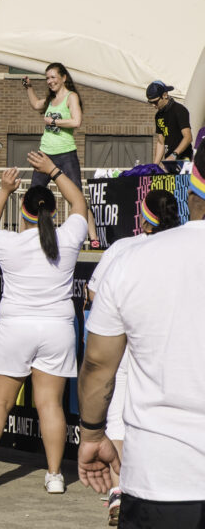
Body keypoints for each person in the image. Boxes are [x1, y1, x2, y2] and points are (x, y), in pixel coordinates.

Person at [77, 144, 205, 528]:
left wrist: (92, 434)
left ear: (192, 193)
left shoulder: (132, 259)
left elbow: (98, 364)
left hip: (161, 478)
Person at [0, 151, 87, 494]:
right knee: (50, 406)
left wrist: (5, 191)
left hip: (15, 329)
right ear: (53, 212)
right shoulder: (68, 238)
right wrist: (53, 170)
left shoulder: (10, 243)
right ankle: (55, 475)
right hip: (57, 330)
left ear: (23, 212)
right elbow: (79, 204)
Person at [84, 189, 181, 526]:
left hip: (127, 343)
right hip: (169, 344)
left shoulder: (123, 248)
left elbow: (94, 293)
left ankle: (120, 492)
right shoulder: (184, 249)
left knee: (117, 418)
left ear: (143, 217)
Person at [21, 62, 97, 245]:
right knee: (31, 196)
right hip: (45, 153)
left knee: (77, 196)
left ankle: (93, 237)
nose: (50, 81)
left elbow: (76, 121)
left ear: (63, 78)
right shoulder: (50, 99)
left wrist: (54, 122)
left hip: (65, 154)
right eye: (47, 78)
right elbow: (35, 104)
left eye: (53, 77)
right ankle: (24, 236)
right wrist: (29, 87)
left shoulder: (71, 97)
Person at [146, 80, 193, 165]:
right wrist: (154, 165)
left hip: (183, 160)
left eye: (155, 102)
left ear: (164, 95)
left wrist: (174, 155)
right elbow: (161, 142)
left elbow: (188, 137)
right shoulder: (158, 115)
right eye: (150, 102)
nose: (153, 105)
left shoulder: (179, 110)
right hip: (169, 161)